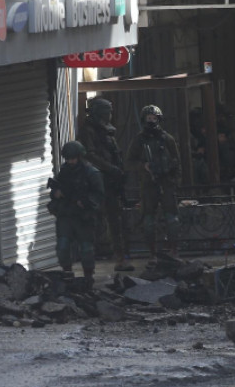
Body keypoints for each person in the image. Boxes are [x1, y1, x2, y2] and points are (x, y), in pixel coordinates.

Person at [77, 97, 134, 272]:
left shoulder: (106, 130)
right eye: (107, 112)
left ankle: (120, 257)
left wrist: (117, 172)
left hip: (110, 182)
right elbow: (90, 155)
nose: (110, 115)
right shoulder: (88, 131)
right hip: (96, 181)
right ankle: (89, 260)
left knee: (116, 219)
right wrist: (110, 169)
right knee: (95, 221)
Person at [126, 105, 181, 264]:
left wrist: (174, 179)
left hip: (166, 182)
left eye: (154, 118)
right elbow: (129, 162)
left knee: (172, 220)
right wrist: (143, 166)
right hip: (148, 184)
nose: (151, 121)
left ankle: (174, 250)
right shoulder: (139, 140)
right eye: (148, 118)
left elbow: (177, 161)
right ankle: (152, 254)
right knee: (148, 222)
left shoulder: (167, 138)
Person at [48, 141, 104, 287]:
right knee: (63, 246)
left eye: (73, 158)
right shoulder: (64, 172)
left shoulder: (91, 173)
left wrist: (85, 202)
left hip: (83, 216)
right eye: (68, 159)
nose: (70, 162)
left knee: (86, 249)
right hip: (66, 214)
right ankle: (67, 274)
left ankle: (88, 277)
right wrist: (56, 193)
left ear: (79, 157)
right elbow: (55, 190)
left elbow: (99, 195)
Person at [188, 107, 211, 185]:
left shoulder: (204, 133)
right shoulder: (188, 135)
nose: (197, 122)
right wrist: (196, 153)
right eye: (195, 119)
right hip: (195, 161)